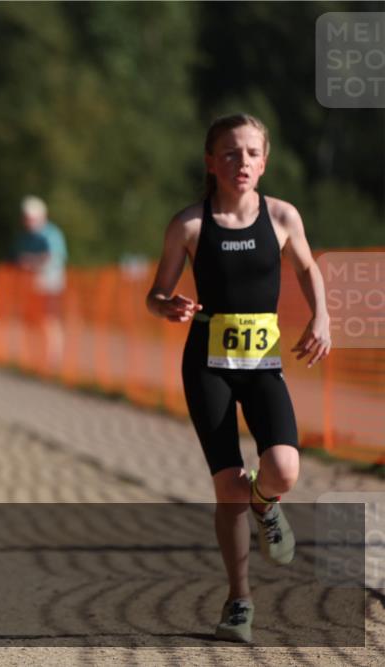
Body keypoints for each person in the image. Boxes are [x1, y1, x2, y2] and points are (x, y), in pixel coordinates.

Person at [146, 114, 331, 643]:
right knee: (228, 487)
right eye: (230, 153)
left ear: (264, 161)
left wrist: (321, 317)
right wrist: (168, 306)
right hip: (208, 366)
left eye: (251, 153)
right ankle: (239, 600)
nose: (241, 162)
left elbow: (307, 269)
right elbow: (154, 295)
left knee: (284, 467)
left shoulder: (282, 216)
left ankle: (266, 504)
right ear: (211, 162)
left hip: (263, 365)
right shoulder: (189, 224)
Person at [14, 195, 67, 369]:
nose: (28, 222)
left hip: (49, 286)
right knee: (33, 321)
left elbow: (53, 258)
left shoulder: (51, 234)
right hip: (31, 287)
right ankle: (35, 356)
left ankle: (52, 360)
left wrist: (30, 262)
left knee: (49, 321)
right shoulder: (26, 236)